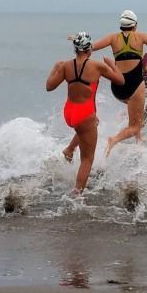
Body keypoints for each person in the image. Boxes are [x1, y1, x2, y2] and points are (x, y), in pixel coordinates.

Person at [83, 11, 147, 156]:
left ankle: (138, 139)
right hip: (135, 85)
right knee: (135, 124)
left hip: (117, 87)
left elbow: (90, 48)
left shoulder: (112, 37)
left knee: (136, 114)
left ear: (121, 25)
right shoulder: (140, 36)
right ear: (135, 25)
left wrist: (79, 41)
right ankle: (114, 139)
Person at [46, 33, 124, 194]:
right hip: (84, 112)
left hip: (69, 112)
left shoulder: (66, 66)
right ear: (89, 49)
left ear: (75, 49)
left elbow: (49, 86)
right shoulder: (97, 66)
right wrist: (112, 64)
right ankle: (77, 194)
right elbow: (120, 80)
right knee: (87, 159)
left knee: (91, 123)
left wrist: (55, 67)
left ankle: (69, 149)